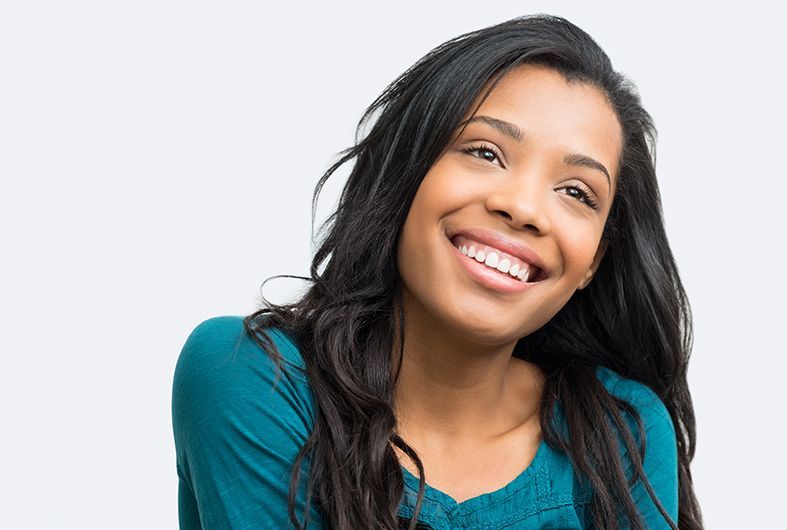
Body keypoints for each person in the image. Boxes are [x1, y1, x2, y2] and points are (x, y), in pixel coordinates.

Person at [172, 14, 703, 530]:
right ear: (407, 170)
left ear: (593, 263)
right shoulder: (250, 376)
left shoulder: (623, 430)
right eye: (485, 152)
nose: (523, 208)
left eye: (576, 192)